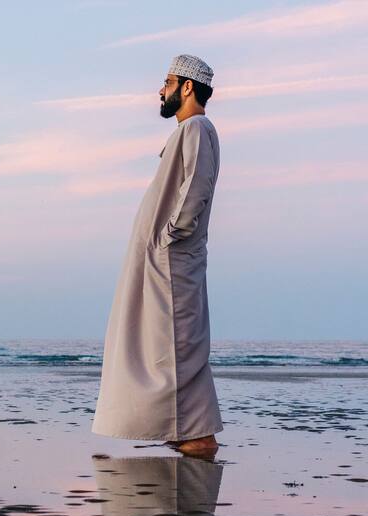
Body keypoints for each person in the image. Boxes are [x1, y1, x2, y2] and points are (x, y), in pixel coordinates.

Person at [91, 54, 223, 457]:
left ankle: (197, 435)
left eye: (167, 82)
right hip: (164, 258)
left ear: (187, 86)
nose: (160, 90)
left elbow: (197, 186)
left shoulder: (197, 128)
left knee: (174, 347)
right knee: (158, 344)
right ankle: (187, 431)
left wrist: (169, 237)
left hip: (172, 258)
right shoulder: (188, 131)